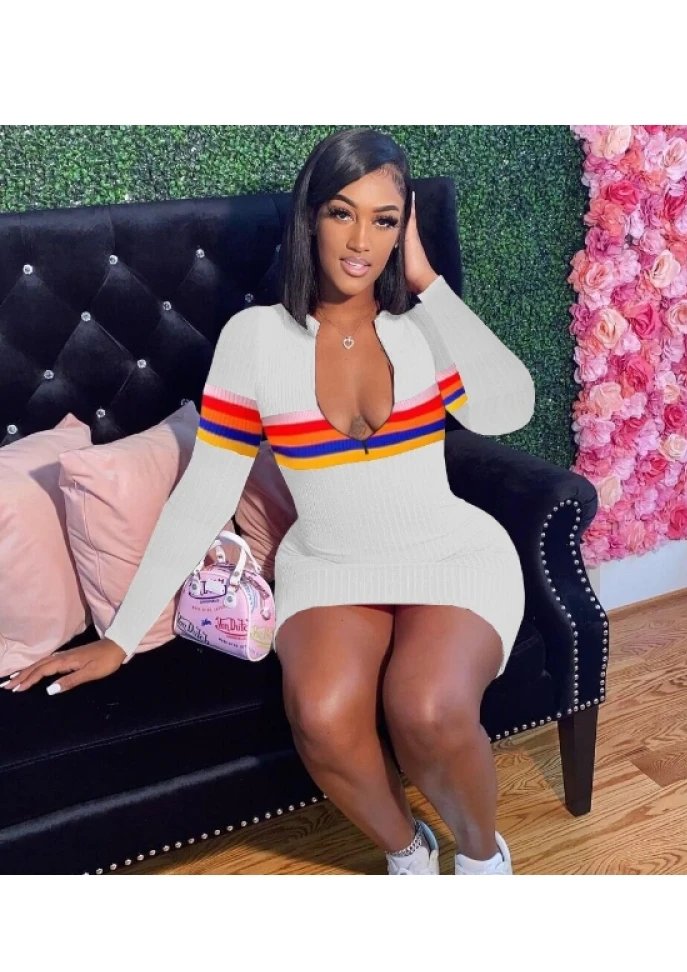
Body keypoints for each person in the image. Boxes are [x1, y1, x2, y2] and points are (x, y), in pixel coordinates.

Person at [8, 128, 535, 876]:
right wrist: (121, 638)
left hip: (450, 554)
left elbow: (511, 408)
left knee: (428, 709)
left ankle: (483, 861)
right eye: (342, 213)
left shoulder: (422, 329)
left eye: (384, 219)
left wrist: (427, 280)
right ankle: (408, 849)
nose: (361, 241)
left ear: (403, 229)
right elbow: (204, 495)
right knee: (321, 718)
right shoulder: (255, 339)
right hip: (329, 565)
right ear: (311, 216)